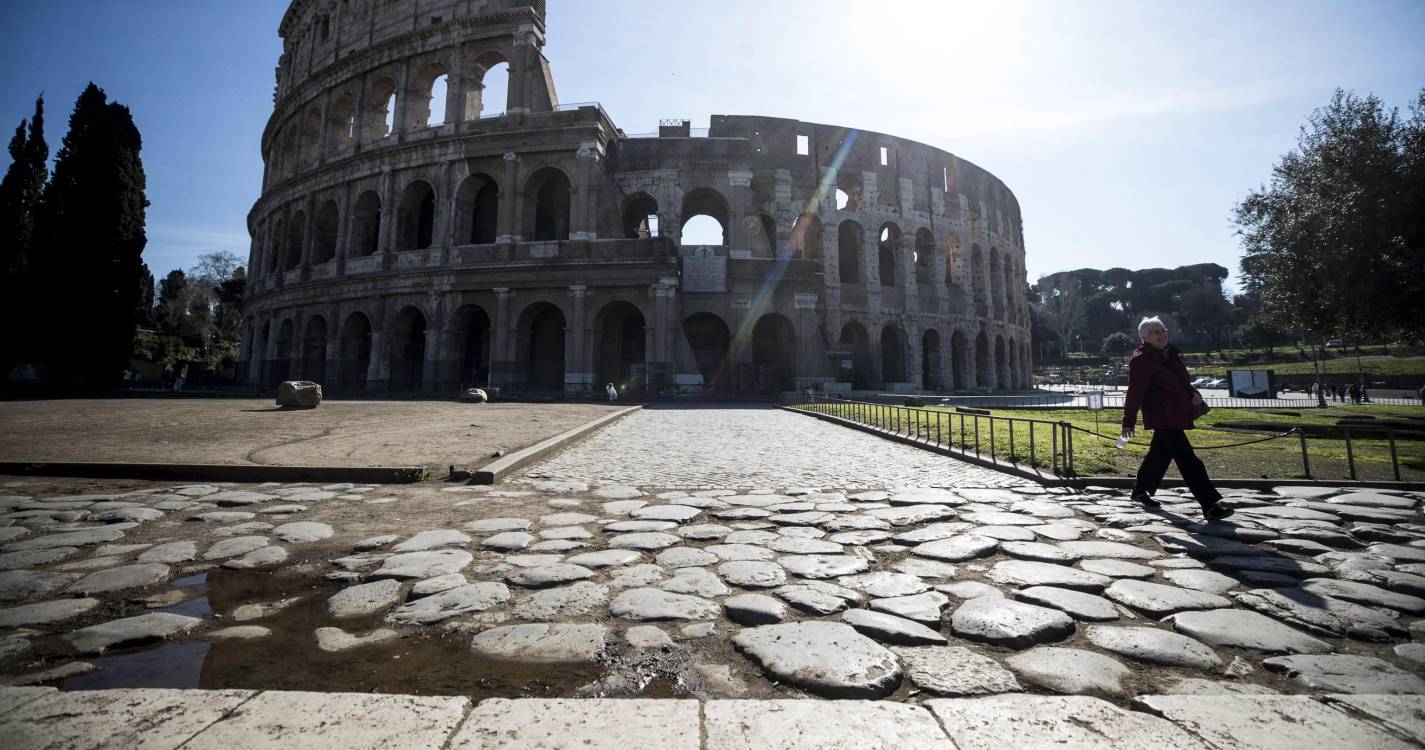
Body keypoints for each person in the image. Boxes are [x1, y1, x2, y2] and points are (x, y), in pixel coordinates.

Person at [1120, 316, 1232, 521]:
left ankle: (1140, 490)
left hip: (1176, 413)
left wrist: (1193, 394)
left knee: (1158, 456)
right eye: (1155, 331)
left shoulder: (1170, 354)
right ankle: (1210, 504)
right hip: (1162, 416)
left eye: (1163, 330)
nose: (1161, 334)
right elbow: (1135, 392)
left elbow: (1180, 381)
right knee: (1189, 461)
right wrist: (1128, 421)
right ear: (1145, 337)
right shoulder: (1142, 359)